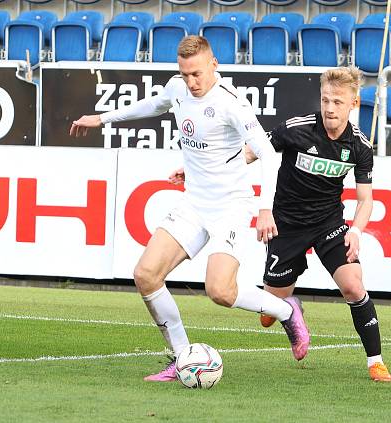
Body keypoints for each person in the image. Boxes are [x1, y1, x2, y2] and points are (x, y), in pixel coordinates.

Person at [69, 36, 310, 382]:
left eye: (196, 73)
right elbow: (154, 105)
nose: (191, 82)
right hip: (195, 201)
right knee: (146, 275)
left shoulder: (233, 104)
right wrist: (102, 118)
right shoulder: (178, 88)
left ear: (214, 64)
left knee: (220, 292)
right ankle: (182, 358)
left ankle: (287, 310)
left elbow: (269, 155)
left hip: (232, 205)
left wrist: (265, 209)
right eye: (185, 75)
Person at [246, 66, 391, 382]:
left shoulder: (360, 146)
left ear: (353, 104)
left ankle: (376, 362)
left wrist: (355, 230)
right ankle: (286, 306)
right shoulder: (296, 128)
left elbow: (366, 199)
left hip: (329, 223)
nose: (329, 108)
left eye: (337, 102)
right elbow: (251, 152)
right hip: (285, 224)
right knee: (268, 312)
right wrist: (208, 169)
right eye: (325, 100)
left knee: (354, 285)